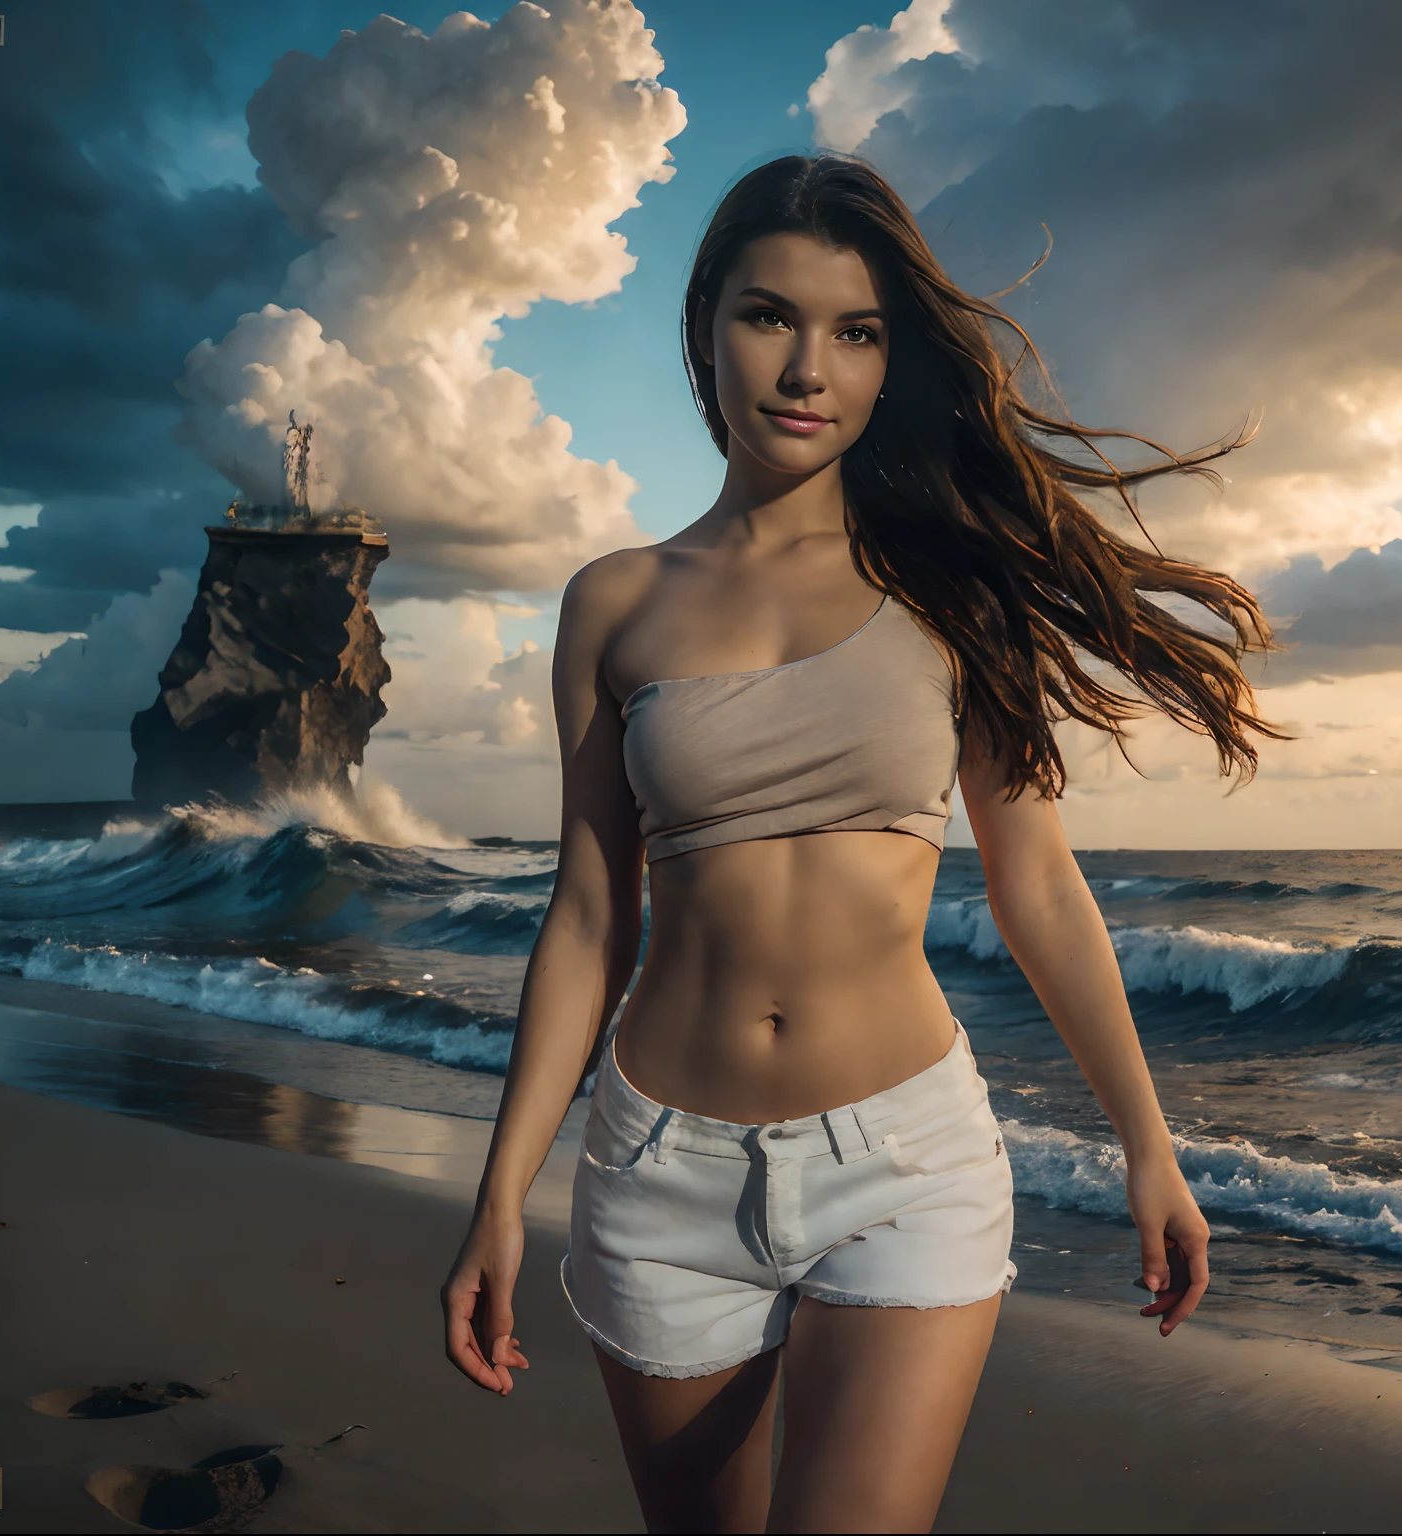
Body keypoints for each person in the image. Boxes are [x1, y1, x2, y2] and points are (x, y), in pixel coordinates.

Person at [442, 153, 1279, 1534]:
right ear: (708, 321)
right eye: (770, 317)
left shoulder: (955, 594)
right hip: (660, 1170)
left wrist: (1149, 1144)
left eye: (856, 332)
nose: (805, 367)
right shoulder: (614, 605)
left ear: (893, 363)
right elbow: (591, 918)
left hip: (907, 1164)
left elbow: (1041, 889)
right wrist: (496, 1199)